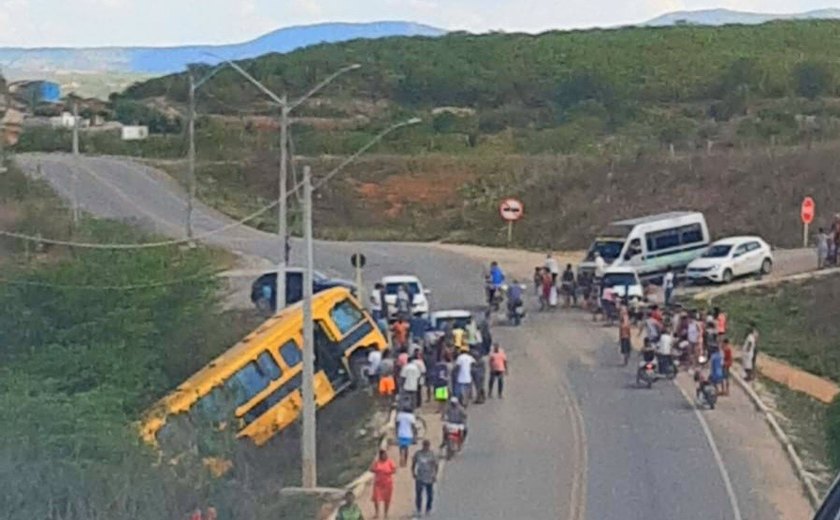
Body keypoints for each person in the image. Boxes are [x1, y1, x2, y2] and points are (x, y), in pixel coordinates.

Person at [412, 439, 439, 517]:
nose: (426, 447)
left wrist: (435, 475)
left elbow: (436, 465)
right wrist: (413, 472)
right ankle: (418, 509)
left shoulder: (432, 454)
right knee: (419, 494)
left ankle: (428, 509)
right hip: (420, 477)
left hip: (429, 477)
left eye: (427, 445)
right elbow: (414, 463)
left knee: (430, 495)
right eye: (424, 445)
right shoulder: (418, 454)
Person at [370, 449, 396, 518]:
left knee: (387, 499)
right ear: (380, 455)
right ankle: (377, 513)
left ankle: (386, 513)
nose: (385, 456)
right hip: (378, 484)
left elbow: (394, 470)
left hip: (387, 484)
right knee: (376, 499)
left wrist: (389, 471)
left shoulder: (390, 461)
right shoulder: (377, 462)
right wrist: (376, 470)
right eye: (383, 455)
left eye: (385, 454)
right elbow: (371, 469)